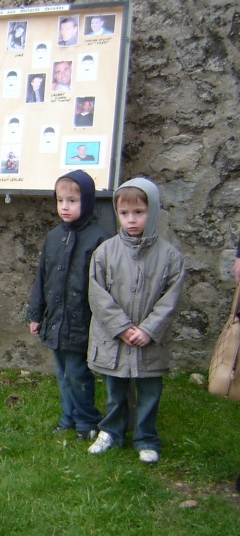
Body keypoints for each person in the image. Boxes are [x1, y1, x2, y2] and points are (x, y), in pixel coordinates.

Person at [87, 178, 186, 464]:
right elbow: (97, 294)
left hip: (150, 341)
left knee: (150, 393)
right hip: (113, 339)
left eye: (139, 212)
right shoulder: (105, 252)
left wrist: (148, 329)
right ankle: (111, 431)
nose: (131, 220)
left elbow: (171, 298)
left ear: (152, 211)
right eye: (124, 213)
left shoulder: (170, 257)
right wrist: (121, 327)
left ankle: (146, 438)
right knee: (114, 389)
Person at [27, 171, 110, 441]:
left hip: (82, 321)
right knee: (63, 373)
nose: (64, 206)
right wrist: (36, 314)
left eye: (72, 200)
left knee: (77, 373)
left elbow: (105, 286)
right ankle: (68, 418)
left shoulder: (100, 239)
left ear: (86, 201)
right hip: (56, 319)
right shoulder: (53, 238)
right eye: (60, 200)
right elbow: (42, 278)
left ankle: (87, 422)